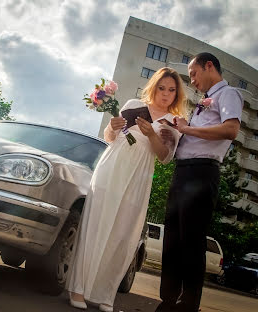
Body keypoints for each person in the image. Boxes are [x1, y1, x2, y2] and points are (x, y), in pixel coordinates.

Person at [66, 67, 187, 312]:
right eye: (162, 88)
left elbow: (165, 157)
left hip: (140, 176)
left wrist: (151, 136)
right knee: (97, 225)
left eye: (171, 90)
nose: (165, 94)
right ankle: (78, 288)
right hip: (112, 168)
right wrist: (112, 126)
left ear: (177, 94)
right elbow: (111, 137)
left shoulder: (174, 122)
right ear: (154, 86)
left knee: (123, 233)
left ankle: (105, 295)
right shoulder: (133, 104)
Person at [155, 53, 243, 312]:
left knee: (191, 240)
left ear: (209, 66)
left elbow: (231, 130)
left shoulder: (229, 94)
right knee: (172, 237)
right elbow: (189, 136)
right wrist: (172, 133)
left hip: (202, 172)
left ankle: (188, 303)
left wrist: (186, 129)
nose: (191, 80)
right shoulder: (204, 103)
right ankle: (168, 299)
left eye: (193, 73)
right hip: (182, 171)